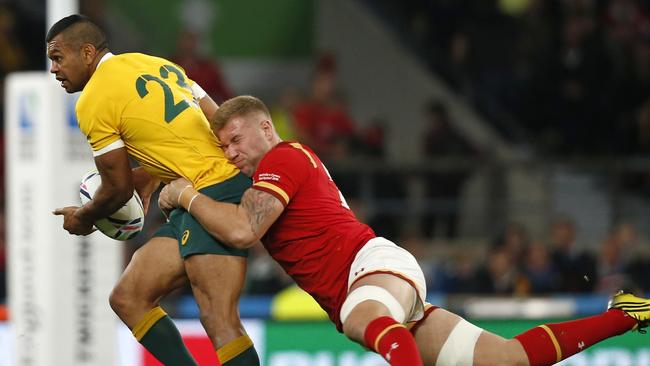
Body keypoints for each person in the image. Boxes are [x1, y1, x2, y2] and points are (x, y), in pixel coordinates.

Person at [159, 95, 650, 366]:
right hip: (381, 282)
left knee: (359, 316)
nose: (230, 153)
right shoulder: (271, 169)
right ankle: (628, 315)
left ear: (266, 127)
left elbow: (243, 230)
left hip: (369, 272)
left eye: (236, 140)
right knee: (506, 360)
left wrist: (184, 194)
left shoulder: (283, 156)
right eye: (223, 146)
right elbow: (236, 223)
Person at [46, 15, 258, 365]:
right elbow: (214, 117)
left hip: (213, 190)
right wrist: (153, 173)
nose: (54, 68)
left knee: (219, 319)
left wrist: (84, 217)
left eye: (58, 57)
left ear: (86, 53)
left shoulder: (93, 99)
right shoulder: (153, 63)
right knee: (128, 297)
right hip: (196, 191)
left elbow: (115, 190)